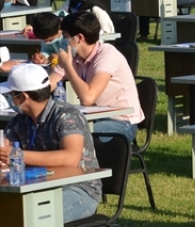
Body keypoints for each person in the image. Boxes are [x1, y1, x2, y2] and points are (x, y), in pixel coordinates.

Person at [0, 64, 101, 227]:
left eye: (11, 94)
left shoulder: (66, 115)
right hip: (34, 189)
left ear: (23, 96)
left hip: (79, 190)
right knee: (9, 213)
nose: (9, 99)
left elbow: (70, 158)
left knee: (31, 219)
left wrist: (17, 155)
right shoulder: (20, 121)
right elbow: (6, 151)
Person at [48, 11, 143, 141]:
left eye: (65, 36)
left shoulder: (107, 54)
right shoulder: (72, 56)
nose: (62, 41)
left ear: (79, 38)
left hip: (120, 121)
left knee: (70, 134)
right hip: (92, 117)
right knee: (51, 129)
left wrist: (68, 66)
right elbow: (49, 84)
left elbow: (88, 98)